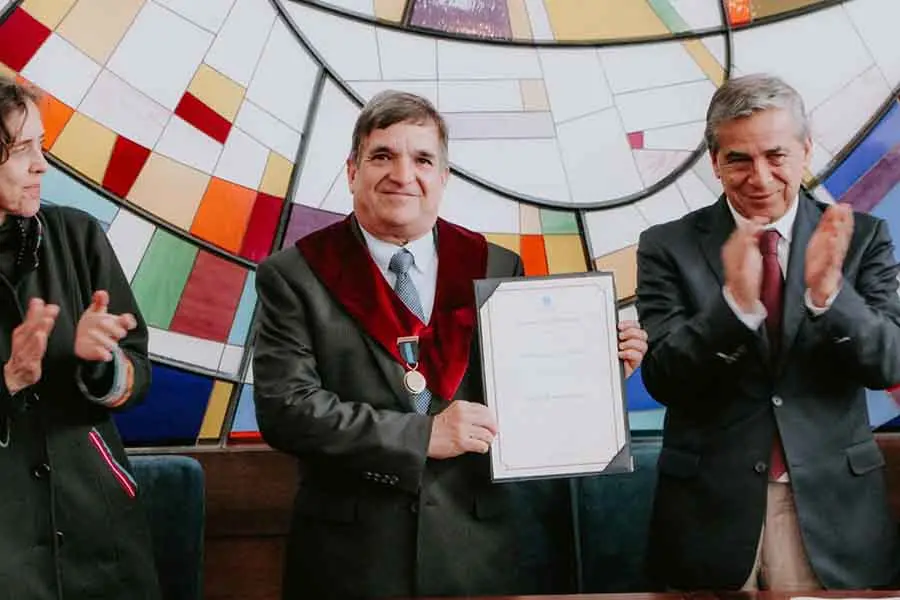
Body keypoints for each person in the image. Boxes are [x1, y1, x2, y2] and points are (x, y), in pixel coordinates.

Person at [253, 90, 648, 599]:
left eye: (421, 159)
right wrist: (421, 436)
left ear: (443, 177)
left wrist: (593, 374)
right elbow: (288, 410)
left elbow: (519, 394)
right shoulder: (294, 275)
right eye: (382, 156)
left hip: (480, 550)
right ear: (352, 171)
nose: (402, 174)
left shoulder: (495, 265)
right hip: (350, 557)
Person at [637, 73, 900, 592]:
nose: (759, 177)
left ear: (804, 150)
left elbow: (890, 363)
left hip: (833, 516)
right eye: (738, 159)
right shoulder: (667, 245)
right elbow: (663, 377)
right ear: (714, 162)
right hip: (707, 516)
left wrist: (831, 298)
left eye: (776, 155)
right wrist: (733, 307)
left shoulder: (862, 237)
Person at [0, 76, 160, 597]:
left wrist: (102, 360)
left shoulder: (78, 235)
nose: (40, 165)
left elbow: (136, 376)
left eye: (40, 145)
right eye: (21, 149)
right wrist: (7, 382)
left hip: (99, 529)